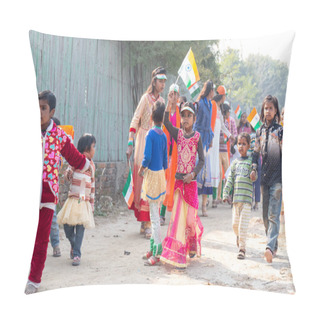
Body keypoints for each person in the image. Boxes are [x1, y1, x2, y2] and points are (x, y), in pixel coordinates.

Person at [25, 91, 91, 294]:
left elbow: (75, 158)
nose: (39, 112)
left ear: (52, 111)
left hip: (47, 194)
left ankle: (33, 280)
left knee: (41, 238)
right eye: (37, 107)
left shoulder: (59, 136)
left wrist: (87, 164)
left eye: (43, 108)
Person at [161, 101, 205, 269]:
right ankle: (178, 250)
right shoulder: (178, 134)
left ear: (194, 118)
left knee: (189, 219)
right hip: (179, 183)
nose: (186, 119)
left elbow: (202, 160)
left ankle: (192, 244)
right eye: (183, 115)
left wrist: (193, 174)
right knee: (178, 218)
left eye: (189, 116)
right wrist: (170, 103)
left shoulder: (197, 137)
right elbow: (165, 122)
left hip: (191, 183)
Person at [126, 67, 167, 238]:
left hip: (156, 141)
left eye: (164, 81)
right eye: (160, 81)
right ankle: (146, 222)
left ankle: (149, 221)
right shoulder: (145, 98)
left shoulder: (162, 101)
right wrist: (130, 142)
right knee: (143, 180)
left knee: (153, 180)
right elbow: (136, 118)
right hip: (143, 140)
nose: (162, 84)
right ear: (154, 81)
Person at [250, 95, 283, 263]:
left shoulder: (281, 131)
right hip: (264, 179)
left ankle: (269, 247)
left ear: (276, 110)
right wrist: (254, 169)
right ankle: (274, 245)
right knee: (265, 216)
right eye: (265, 108)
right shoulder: (260, 131)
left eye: (271, 108)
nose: (268, 111)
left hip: (278, 178)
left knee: (273, 215)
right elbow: (255, 154)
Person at [57, 133, 96, 266]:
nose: (94, 150)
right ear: (86, 148)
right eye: (93, 146)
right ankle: (73, 245)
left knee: (80, 229)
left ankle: (77, 254)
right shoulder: (76, 161)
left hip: (84, 202)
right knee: (67, 227)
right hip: (73, 200)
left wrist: (92, 203)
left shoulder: (91, 166)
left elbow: (93, 185)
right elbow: (67, 177)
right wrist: (69, 172)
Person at [139, 101, 167, 266]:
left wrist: (142, 169)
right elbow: (165, 159)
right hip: (160, 176)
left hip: (151, 176)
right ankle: (152, 249)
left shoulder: (150, 134)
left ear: (151, 116)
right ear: (162, 119)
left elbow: (147, 156)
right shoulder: (163, 135)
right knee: (153, 215)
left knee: (154, 218)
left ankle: (157, 253)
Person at [223, 132, 257, 259]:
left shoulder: (251, 162)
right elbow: (230, 179)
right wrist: (226, 193)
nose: (241, 146)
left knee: (243, 225)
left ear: (248, 146)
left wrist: (254, 175)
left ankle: (242, 248)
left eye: (244, 144)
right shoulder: (235, 163)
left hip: (247, 200)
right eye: (239, 144)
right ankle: (238, 236)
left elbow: (255, 176)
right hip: (236, 201)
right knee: (234, 225)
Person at [210, 85, 233, 208]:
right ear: (222, 96)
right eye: (224, 96)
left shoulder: (218, 108)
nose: (225, 98)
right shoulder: (213, 105)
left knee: (217, 171)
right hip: (212, 143)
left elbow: (222, 126)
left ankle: (214, 198)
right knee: (213, 169)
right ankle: (212, 198)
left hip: (217, 146)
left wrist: (230, 135)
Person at [194, 80, 215, 216]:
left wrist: (211, 137)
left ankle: (204, 207)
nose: (214, 93)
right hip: (199, 140)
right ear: (209, 91)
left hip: (207, 141)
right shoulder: (200, 103)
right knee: (197, 172)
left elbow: (209, 125)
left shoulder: (210, 105)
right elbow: (196, 124)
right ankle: (195, 206)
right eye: (213, 90)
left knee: (207, 173)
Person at [161, 84, 181, 226]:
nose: (173, 97)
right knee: (164, 183)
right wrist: (168, 104)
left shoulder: (181, 112)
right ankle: (161, 214)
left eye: (175, 94)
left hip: (176, 152)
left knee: (173, 184)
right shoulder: (165, 111)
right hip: (164, 150)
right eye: (171, 94)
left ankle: (175, 214)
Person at [217, 101, 237, 204]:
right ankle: (219, 197)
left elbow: (234, 134)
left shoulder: (230, 121)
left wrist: (231, 140)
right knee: (219, 174)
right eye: (227, 112)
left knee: (228, 174)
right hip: (218, 150)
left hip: (226, 150)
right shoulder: (219, 121)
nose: (228, 114)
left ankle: (228, 195)